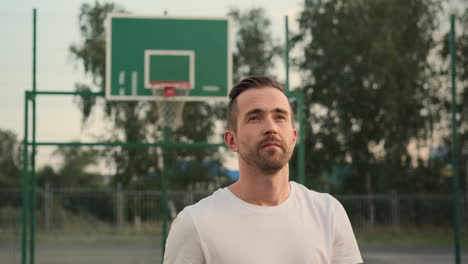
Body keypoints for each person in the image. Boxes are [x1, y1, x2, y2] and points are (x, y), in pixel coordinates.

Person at [163, 76, 363, 264]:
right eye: (255, 118)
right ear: (232, 140)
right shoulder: (194, 223)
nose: (271, 128)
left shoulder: (328, 213)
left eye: (280, 117)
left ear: (293, 137)